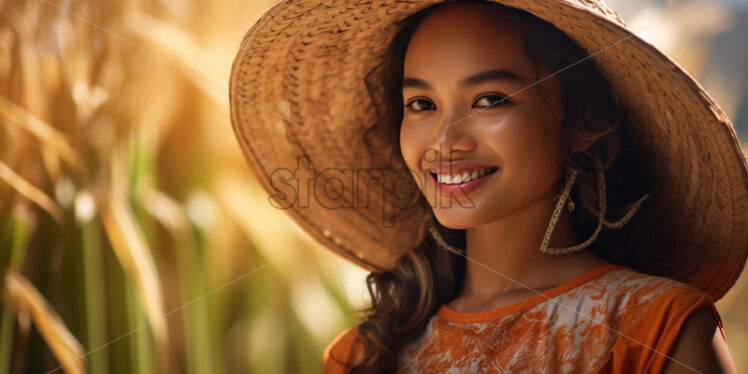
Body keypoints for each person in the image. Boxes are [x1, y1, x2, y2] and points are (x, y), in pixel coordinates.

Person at [228, 0, 746, 372]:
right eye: (422, 105)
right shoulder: (361, 356)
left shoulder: (656, 330)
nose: (445, 140)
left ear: (582, 120)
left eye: (490, 100)